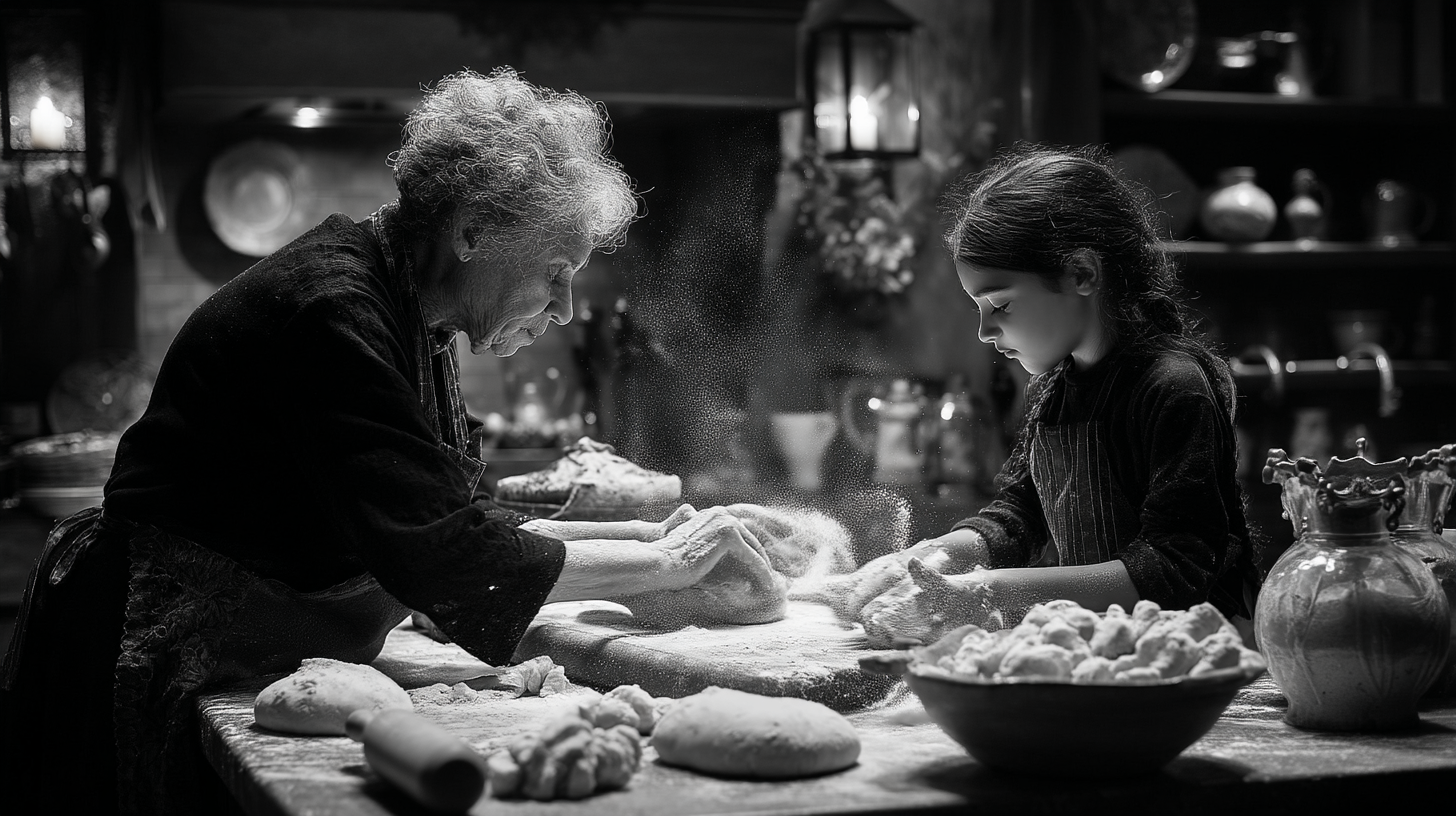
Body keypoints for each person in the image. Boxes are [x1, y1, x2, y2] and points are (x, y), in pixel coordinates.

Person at [0, 68, 779, 816]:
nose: (567, 308)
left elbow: (460, 519)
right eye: (555, 272)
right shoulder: (333, 311)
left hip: (247, 635)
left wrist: (648, 534)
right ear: (472, 230)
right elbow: (444, 558)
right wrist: (670, 563)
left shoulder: (416, 314)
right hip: (156, 636)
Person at [807, 143, 1260, 648]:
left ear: (1083, 274)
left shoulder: (1173, 387)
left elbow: (1173, 570)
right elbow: (1023, 511)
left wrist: (992, 590)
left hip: (1199, 666)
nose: (984, 330)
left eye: (999, 304)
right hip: (1105, 651)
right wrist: (938, 556)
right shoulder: (1056, 389)